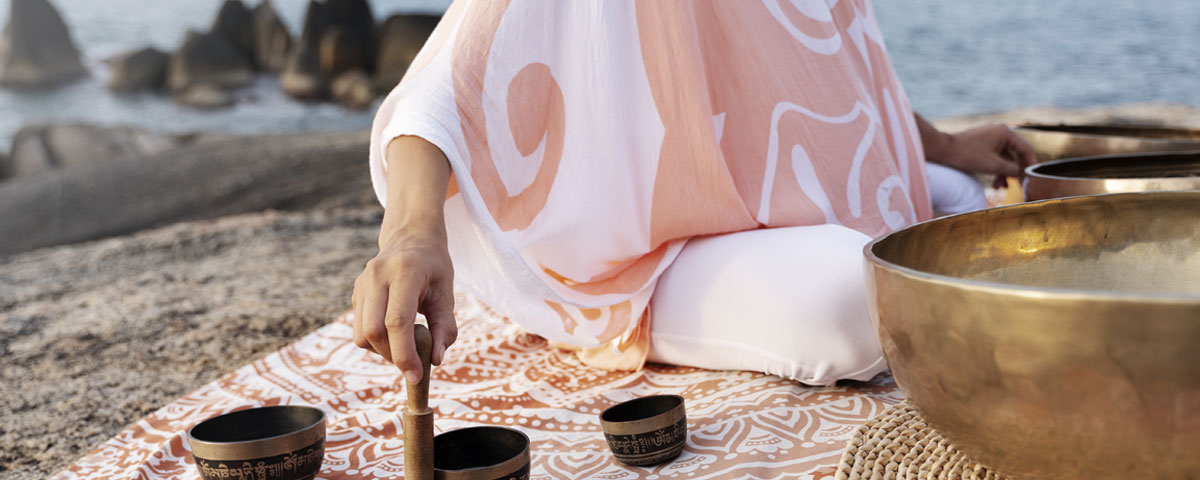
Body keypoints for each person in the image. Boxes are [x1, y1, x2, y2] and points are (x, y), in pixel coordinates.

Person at [353, 0, 1035, 386]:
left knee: (956, 195)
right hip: (655, 236)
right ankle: (611, 314)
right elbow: (444, 87)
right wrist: (412, 231)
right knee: (864, 298)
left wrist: (937, 144)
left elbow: (822, 68)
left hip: (762, 196)